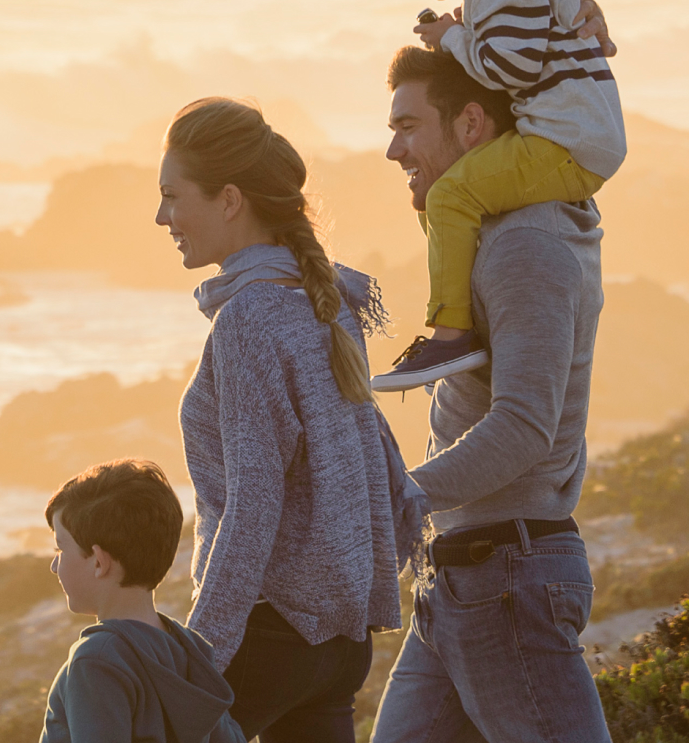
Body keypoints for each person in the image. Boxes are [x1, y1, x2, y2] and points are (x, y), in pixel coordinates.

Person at [157, 98, 422, 743]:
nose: (162, 217)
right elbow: (373, 449)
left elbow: (254, 500)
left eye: (172, 196)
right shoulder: (322, 300)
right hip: (337, 641)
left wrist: (202, 652)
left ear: (228, 199)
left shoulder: (248, 318)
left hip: (270, 633)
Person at [369, 47, 611, 743]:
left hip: (506, 577)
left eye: (409, 125)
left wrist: (398, 499)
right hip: (466, 581)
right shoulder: (495, 233)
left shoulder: (524, 247)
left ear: (472, 124)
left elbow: (524, 427)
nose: (393, 148)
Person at [371, 0, 626, 393]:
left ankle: (451, 334)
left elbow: (512, 67)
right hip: (574, 139)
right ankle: (466, 306)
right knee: (451, 199)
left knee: (448, 198)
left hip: (565, 144)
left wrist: (451, 39)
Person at [38, 459, 245, 743]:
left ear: (99, 562)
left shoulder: (96, 660)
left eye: (60, 549)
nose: (53, 565)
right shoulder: (190, 650)